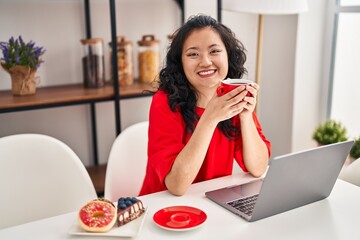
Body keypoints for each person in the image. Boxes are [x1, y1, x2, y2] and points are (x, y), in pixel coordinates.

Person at [139, 14, 271, 196]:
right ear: (181, 62)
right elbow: (176, 186)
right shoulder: (165, 101)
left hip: (211, 201)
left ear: (228, 56)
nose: (206, 62)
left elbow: (258, 167)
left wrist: (246, 116)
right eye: (193, 54)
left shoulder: (233, 96)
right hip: (163, 206)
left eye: (214, 51)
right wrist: (210, 118)